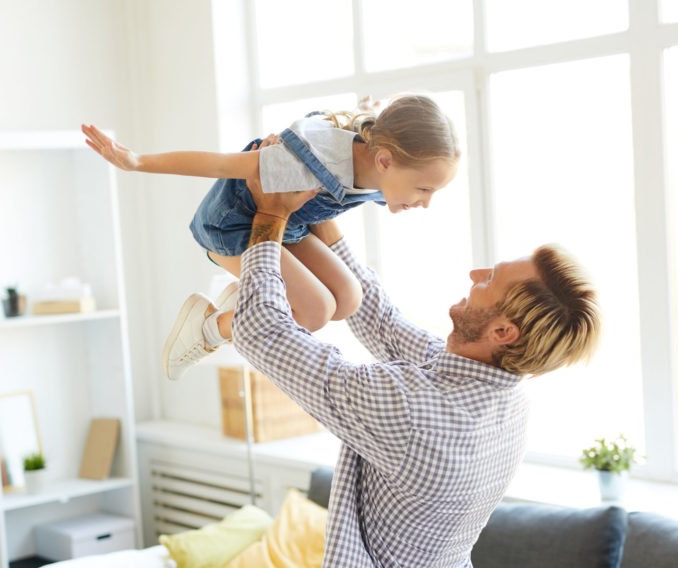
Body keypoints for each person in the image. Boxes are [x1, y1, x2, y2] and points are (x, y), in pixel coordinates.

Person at [232, 170, 601, 568]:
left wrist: (270, 217)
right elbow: (382, 321)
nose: (475, 274)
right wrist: (326, 215)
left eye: (489, 280)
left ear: (501, 330)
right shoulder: (499, 393)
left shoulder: (412, 410)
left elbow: (262, 332)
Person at [81, 94, 459, 380]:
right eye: (423, 189)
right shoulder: (309, 160)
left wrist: (367, 106)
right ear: (385, 161)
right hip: (234, 228)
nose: (425, 203)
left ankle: (246, 299)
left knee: (348, 298)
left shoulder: (381, 161)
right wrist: (138, 162)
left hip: (287, 227)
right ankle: (210, 327)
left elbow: (366, 128)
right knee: (314, 311)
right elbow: (220, 163)